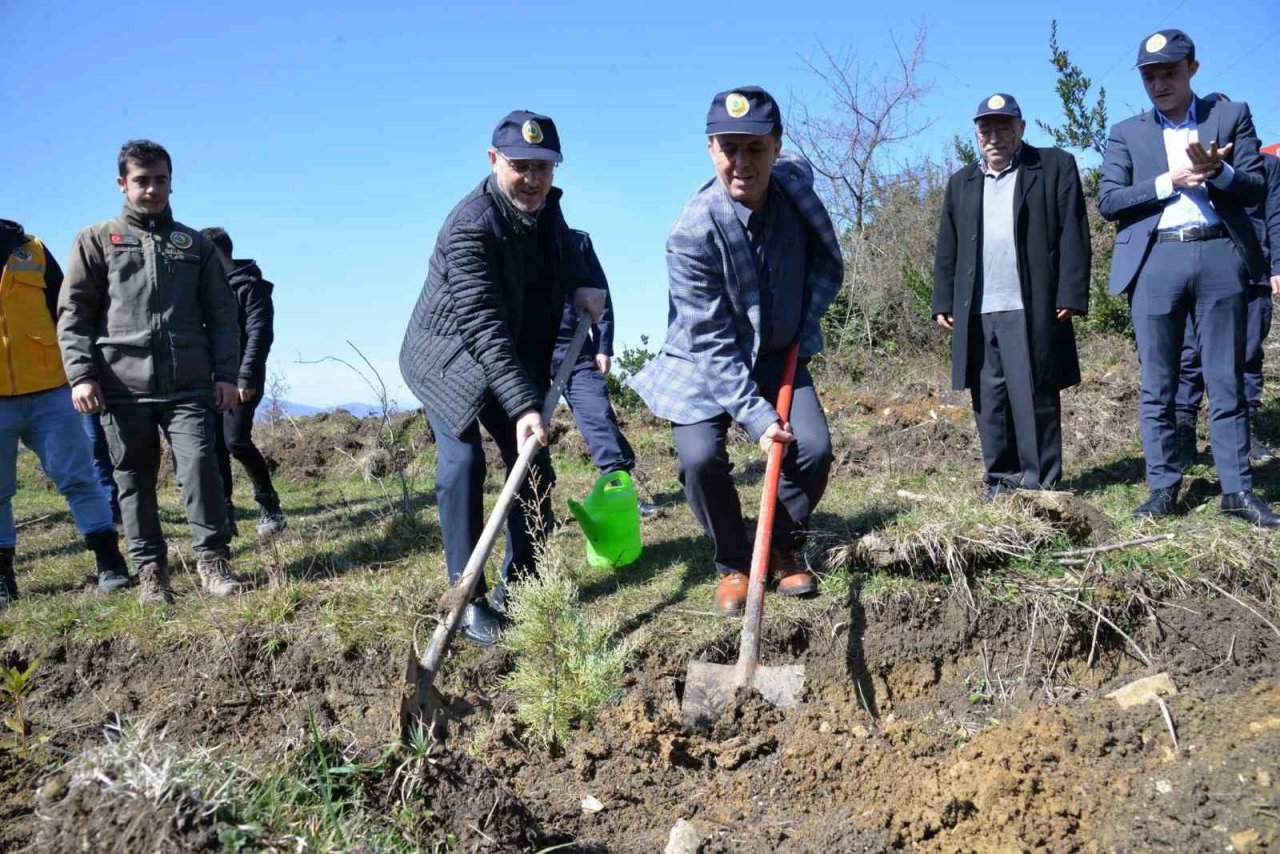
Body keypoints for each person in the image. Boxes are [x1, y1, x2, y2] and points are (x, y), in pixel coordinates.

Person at [629, 86, 843, 616]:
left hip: (776, 355)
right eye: (729, 149)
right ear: (710, 150)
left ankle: (779, 545)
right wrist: (756, 416)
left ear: (776, 146)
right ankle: (733, 562)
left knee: (813, 448)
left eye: (755, 148)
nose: (741, 163)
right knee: (700, 459)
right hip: (705, 364)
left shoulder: (794, 185)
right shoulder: (691, 233)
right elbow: (710, 343)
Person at [400, 111, 605, 645]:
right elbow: (482, 324)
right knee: (464, 461)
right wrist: (523, 406)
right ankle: (464, 598)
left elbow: (572, 248)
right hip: (447, 356)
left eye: (544, 167)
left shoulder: (545, 213)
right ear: (494, 161)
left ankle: (525, 582)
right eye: (521, 166)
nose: (534, 179)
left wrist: (586, 280)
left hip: (506, 354)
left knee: (532, 465)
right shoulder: (470, 224)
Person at [1098, 30, 1277, 526]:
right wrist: (1168, 181)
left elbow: (1255, 187)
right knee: (1158, 383)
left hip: (1220, 253)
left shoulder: (1230, 115)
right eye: (1150, 76)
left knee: (1226, 380)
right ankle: (1162, 489)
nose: (1159, 83)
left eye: (1169, 73)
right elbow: (1109, 200)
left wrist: (1217, 174)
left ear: (1192, 69)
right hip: (1156, 260)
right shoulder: (1126, 132)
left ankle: (1237, 489)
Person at [58, 139, 246, 603]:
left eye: (160, 180)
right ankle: (152, 574)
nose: (152, 190)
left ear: (170, 181)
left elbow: (222, 315)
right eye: (142, 181)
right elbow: (74, 313)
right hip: (121, 384)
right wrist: (81, 374)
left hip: (189, 383)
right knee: (132, 477)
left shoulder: (194, 245)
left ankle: (213, 562)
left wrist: (226, 374)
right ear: (123, 183)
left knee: (202, 468)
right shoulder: (97, 239)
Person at [932, 94, 1092, 500]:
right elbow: (947, 247)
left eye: (1004, 127)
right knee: (991, 399)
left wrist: (1071, 291)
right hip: (979, 310)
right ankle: (1000, 481)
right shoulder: (961, 182)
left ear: (1021, 128)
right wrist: (943, 300)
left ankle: (1040, 485)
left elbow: (1074, 232)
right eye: (986, 129)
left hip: (1032, 306)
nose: (995, 136)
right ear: (976, 134)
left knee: (1034, 393)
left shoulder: (1053, 167)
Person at [0, 220, 132, 608]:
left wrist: (83, 373)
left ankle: (109, 559)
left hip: (52, 390)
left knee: (79, 478)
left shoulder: (32, 250)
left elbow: (68, 314)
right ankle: (3, 577)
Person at [1175, 114, 1280, 464]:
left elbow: (1276, 216)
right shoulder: (1190, 164)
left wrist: (1277, 266)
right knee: (1189, 354)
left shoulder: (1267, 167)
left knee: (1248, 351)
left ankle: (1246, 429)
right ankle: (1184, 429)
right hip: (1204, 269)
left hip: (1253, 268)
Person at [551, 230, 656, 518]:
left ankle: (621, 495)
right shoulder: (512, 243)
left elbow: (600, 294)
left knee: (598, 415)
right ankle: (536, 513)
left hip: (573, 347)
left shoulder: (576, 242)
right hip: (526, 354)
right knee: (527, 432)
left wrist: (603, 344)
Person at [199, 227, 287, 537]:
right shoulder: (202, 289)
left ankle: (269, 505)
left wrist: (245, 377)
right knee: (213, 447)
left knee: (235, 440)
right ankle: (224, 514)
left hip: (241, 378)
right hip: (206, 378)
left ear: (219, 253)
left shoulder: (252, 288)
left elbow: (260, 334)